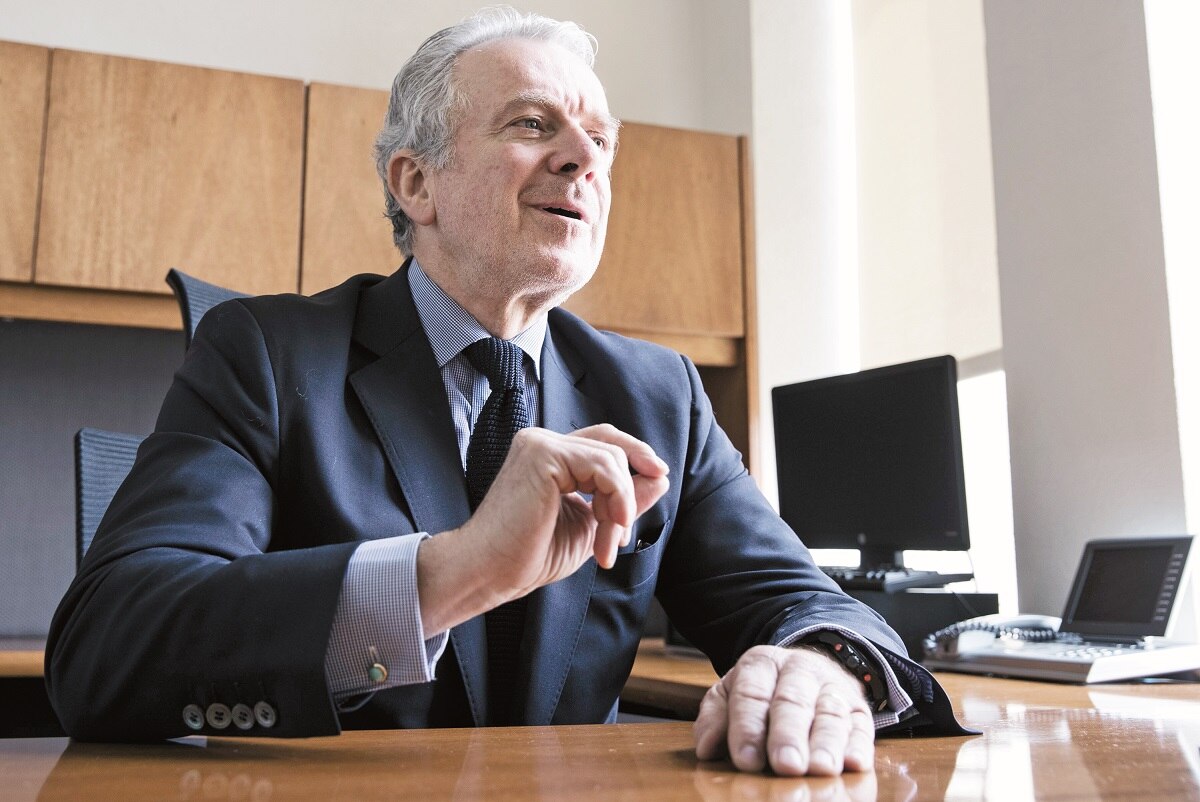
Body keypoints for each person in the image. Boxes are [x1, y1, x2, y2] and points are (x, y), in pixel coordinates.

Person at [46, 7, 967, 776]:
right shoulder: (265, 353)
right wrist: (454, 572)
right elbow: (106, 647)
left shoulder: (660, 393)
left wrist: (822, 665)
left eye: (600, 141)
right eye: (534, 125)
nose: (585, 160)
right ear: (417, 183)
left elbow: (801, 598)